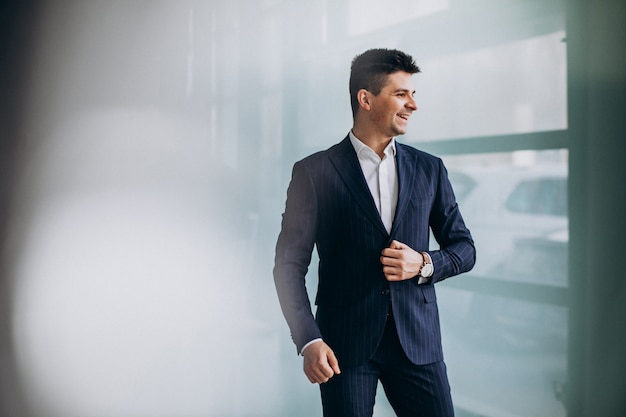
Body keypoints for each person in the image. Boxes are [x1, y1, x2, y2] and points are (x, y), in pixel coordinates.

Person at [273, 48, 476, 417]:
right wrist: (309, 339)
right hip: (342, 348)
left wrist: (425, 263)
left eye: (413, 94)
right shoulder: (314, 172)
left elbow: (464, 248)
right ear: (365, 99)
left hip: (418, 343)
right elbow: (288, 265)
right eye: (401, 94)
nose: (413, 104)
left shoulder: (429, 169)